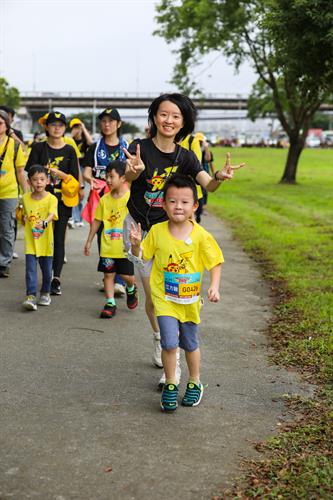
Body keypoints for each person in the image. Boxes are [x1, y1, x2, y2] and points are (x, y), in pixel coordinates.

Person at [123, 93, 244, 385]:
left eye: (176, 116)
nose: (169, 120)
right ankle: (160, 337)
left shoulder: (186, 156)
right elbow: (126, 178)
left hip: (170, 232)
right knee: (153, 295)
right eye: (164, 114)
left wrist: (219, 175)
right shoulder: (138, 148)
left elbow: (209, 186)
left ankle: (172, 360)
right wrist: (133, 171)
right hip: (139, 228)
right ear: (154, 117)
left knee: (167, 292)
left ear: (183, 122)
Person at [130, 174, 223, 412]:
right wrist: (135, 245)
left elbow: (215, 261)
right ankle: (171, 383)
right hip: (164, 299)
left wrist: (214, 285)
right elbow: (142, 258)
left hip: (190, 301)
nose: (178, 207)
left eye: (184, 202)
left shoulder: (201, 235)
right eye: (172, 201)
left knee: (190, 343)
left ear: (194, 206)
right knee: (170, 342)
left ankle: (195, 381)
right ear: (163, 204)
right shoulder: (158, 232)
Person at [26, 111, 79, 295]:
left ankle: (55, 278)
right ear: (46, 127)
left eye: (61, 124)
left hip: (62, 202)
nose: (57, 127)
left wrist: (58, 173)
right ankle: (40, 276)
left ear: (65, 128)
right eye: (53, 124)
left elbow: (75, 179)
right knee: (40, 237)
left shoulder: (70, 150)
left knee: (58, 240)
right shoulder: (39, 148)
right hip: (40, 202)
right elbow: (30, 173)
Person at [84, 160, 138, 318]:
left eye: (111, 176)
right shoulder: (104, 200)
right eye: (106, 176)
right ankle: (110, 303)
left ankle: (131, 288)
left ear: (123, 178)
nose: (107, 180)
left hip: (125, 247)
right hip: (107, 246)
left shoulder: (131, 198)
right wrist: (89, 240)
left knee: (127, 276)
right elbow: (97, 220)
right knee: (108, 275)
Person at [83, 108, 128, 297]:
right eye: (104, 121)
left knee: (122, 235)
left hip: (123, 199)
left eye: (111, 121)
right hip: (102, 197)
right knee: (104, 234)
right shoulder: (94, 147)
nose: (107, 124)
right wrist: (89, 180)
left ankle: (119, 280)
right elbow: (86, 170)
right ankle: (109, 275)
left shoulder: (128, 147)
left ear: (118, 124)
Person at [21, 165, 58, 310]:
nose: (39, 183)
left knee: (47, 271)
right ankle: (31, 296)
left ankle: (45, 292)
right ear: (29, 182)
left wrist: (44, 222)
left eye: (42, 179)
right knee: (30, 269)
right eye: (35, 180)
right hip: (31, 241)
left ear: (47, 181)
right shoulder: (25, 198)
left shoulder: (52, 199)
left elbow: (52, 214)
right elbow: (24, 214)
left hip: (46, 242)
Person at [0, 109, 28, 277]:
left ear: (6, 125)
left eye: (0, 123)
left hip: (8, 192)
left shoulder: (14, 144)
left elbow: (20, 171)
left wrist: (26, 194)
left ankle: (4, 263)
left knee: (7, 229)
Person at [69, 118, 93, 227]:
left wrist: (83, 128)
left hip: (83, 169)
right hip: (73, 168)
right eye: (74, 127)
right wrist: (71, 135)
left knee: (81, 194)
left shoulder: (84, 140)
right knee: (74, 192)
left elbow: (91, 143)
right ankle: (74, 218)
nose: (77, 129)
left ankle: (78, 218)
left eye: (78, 127)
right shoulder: (70, 140)